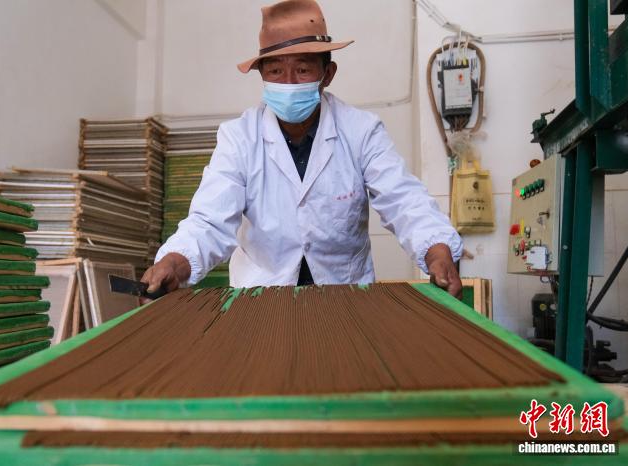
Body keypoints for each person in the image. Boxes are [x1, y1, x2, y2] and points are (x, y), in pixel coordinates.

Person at [143, 0, 463, 297]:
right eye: (275, 71)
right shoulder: (239, 137)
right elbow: (210, 222)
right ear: (262, 76)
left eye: (303, 69)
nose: (289, 82)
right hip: (262, 300)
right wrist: (174, 262)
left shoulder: (361, 131)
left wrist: (437, 252)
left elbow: (403, 201)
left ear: (328, 74)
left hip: (344, 297)